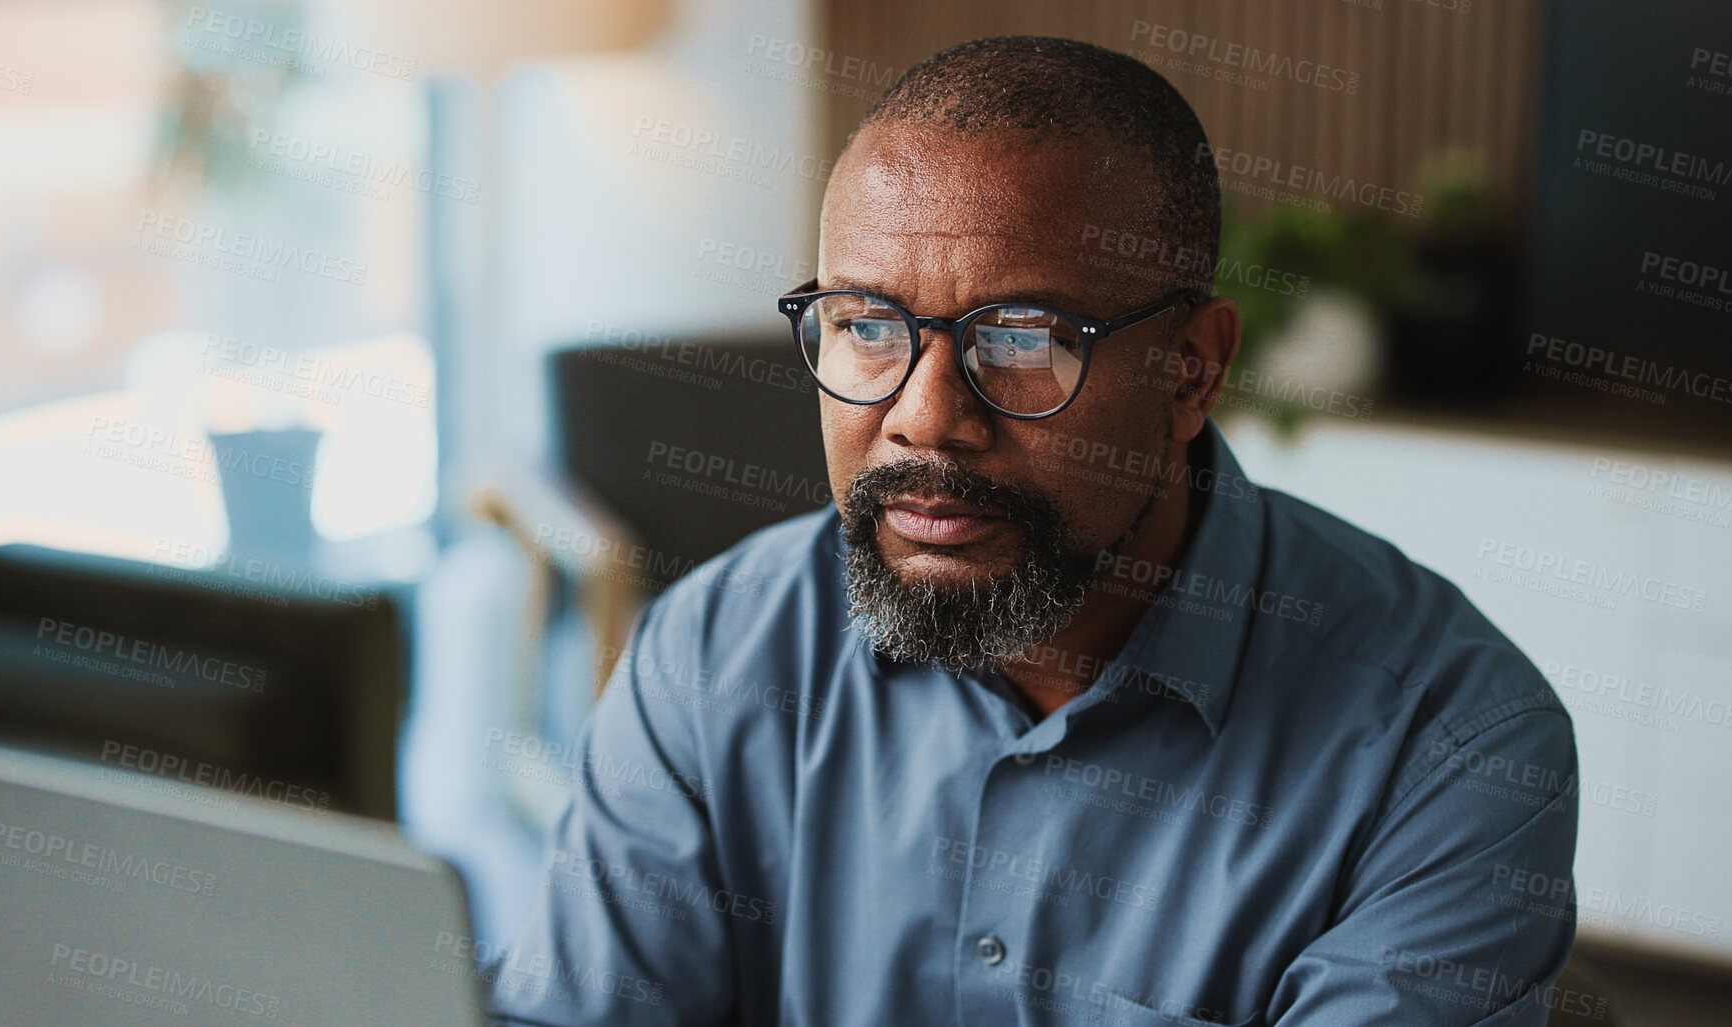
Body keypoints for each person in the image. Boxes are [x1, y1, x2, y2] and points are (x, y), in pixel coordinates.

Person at [491, 35, 1578, 1027]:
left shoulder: (1451, 743)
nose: (923, 417)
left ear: (1190, 370)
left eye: (1021, 337)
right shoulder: (709, 655)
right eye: (866, 325)